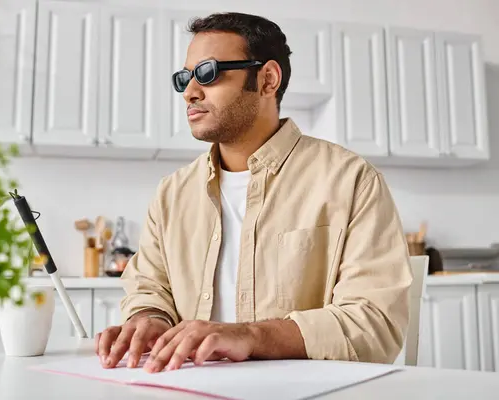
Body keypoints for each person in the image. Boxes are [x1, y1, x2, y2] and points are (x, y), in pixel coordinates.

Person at [95, 11, 413, 373]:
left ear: (267, 79)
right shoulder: (171, 194)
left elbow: (375, 326)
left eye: (208, 73)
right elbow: (148, 288)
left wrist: (250, 336)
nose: (190, 92)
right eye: (185, 77)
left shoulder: (351, 181)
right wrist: (150, 317)